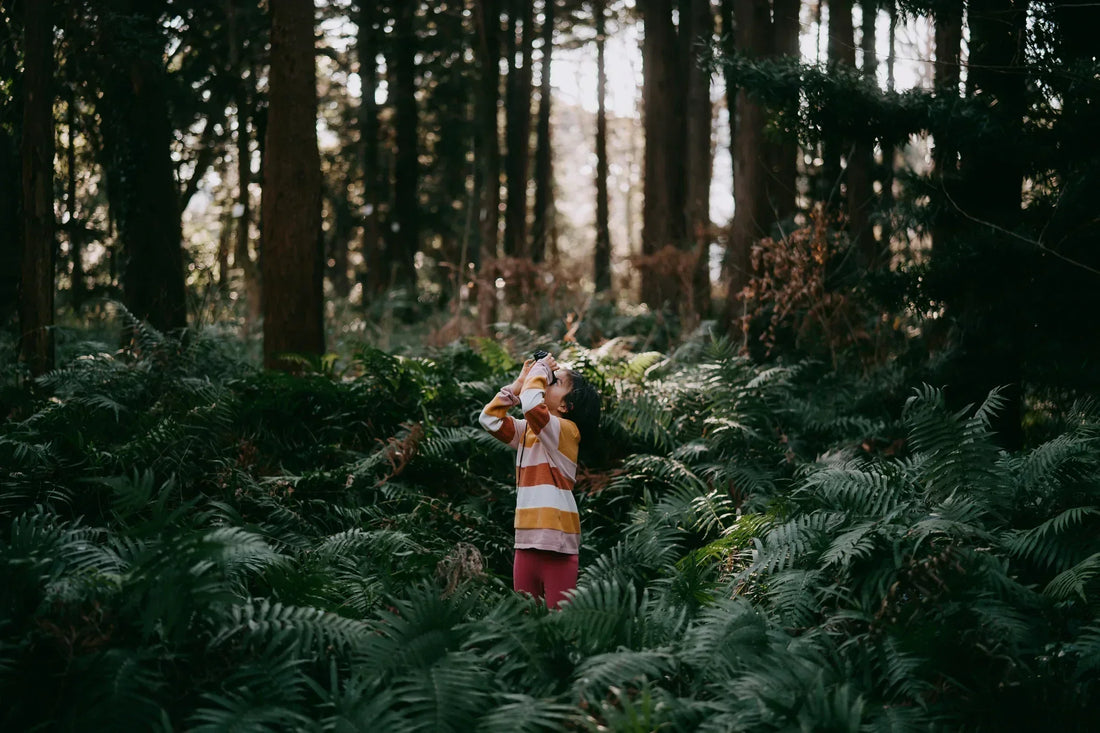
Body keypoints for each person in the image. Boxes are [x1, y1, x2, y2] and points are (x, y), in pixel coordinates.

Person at [478, 352, 601, 609]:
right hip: (526, 539)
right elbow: (489, 419)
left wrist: (542, 368)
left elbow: (532, 406)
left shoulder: (567, 432)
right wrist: (518, 385)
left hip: (557, 542)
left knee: (559, 624)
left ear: (566, 406)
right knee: (525, 619)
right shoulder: (528, 431)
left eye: (554, 381)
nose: (546, 380)